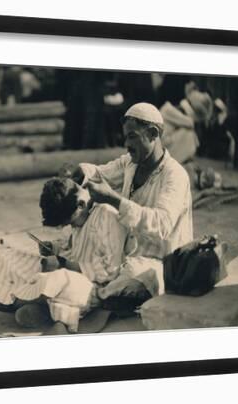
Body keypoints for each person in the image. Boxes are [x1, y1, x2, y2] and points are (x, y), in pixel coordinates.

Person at [0, 177, 130, 333]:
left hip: (91, 286)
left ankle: (9, 302)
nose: (69, 226)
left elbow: (110, 271)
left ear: (81, 204)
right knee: (11, 255)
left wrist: (63, 263)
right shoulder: (79, 212)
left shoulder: (107, 215)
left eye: (69, 222)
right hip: (66, 271)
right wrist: (54, 248)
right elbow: (70, 247)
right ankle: (37, 306)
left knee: (58, 280)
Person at [74, 102, 193, 300]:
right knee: (97, 263)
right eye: (126, 137)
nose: (126, 145)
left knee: (128, 283)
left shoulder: (175, 175)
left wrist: (114, 200)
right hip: (130, 256)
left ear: (153, 134)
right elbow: (100, 172)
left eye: (132, 137)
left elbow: (162, 224)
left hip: (161, 262)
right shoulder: (130, 163)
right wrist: (80, 172)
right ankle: (91, 295)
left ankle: (89, 300)